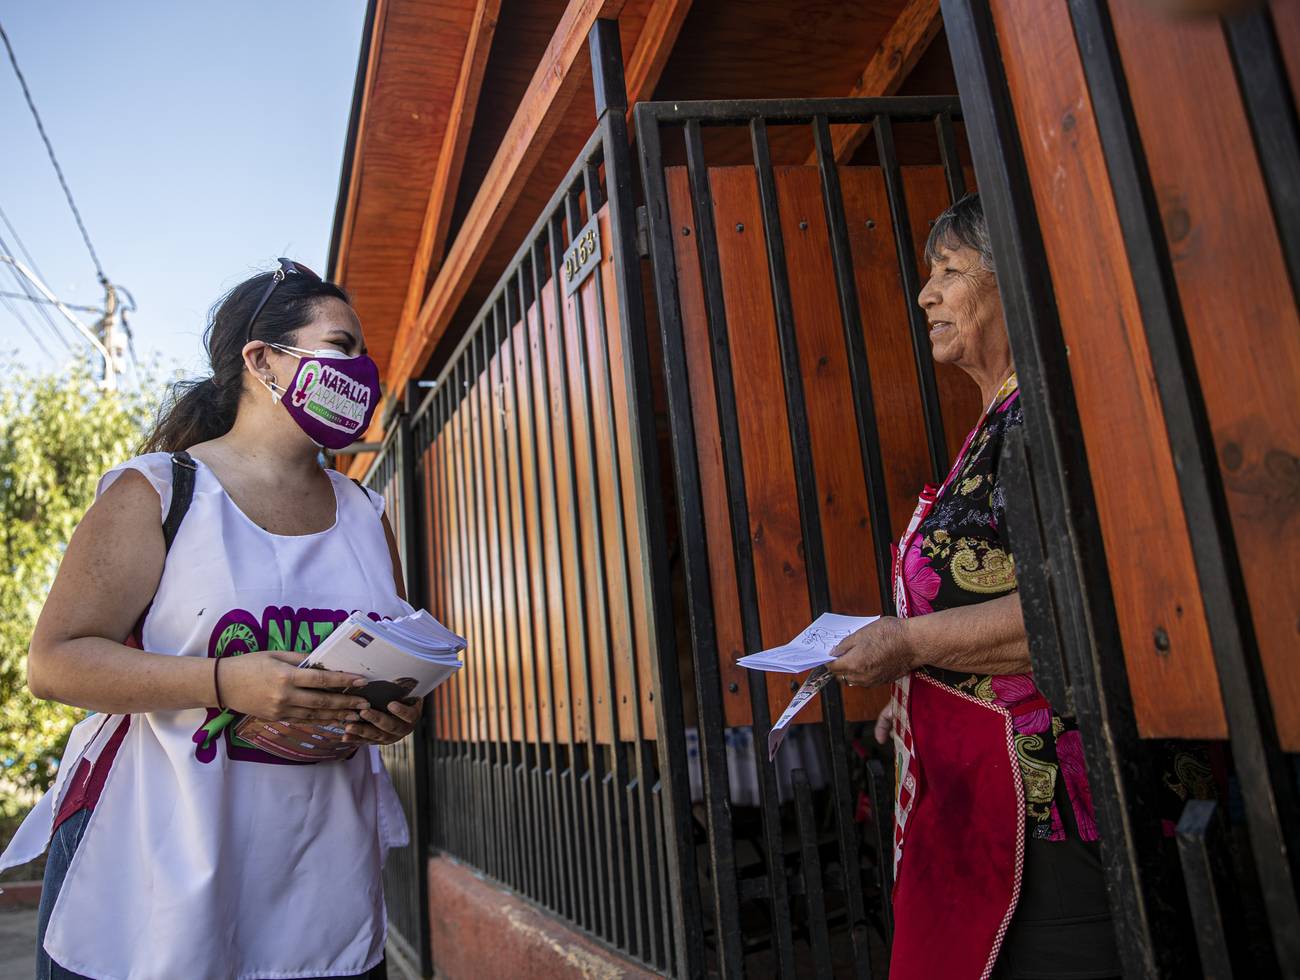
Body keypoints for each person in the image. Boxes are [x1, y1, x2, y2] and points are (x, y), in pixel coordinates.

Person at [1, 259, 421, 979]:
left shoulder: (366, 515)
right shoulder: (160, 492)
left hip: (319, 885)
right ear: (262, 360)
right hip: (150, 881)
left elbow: (389, 660)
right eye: (341, 345)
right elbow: (54, 662)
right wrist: (225, 682)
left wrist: (390, 714)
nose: (364, 368)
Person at [827, 196, 1121, 979]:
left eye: (949, 272)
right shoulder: (991, 423)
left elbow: (1079, 608)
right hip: (987, 804)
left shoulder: (1045, 414)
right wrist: (920, 690)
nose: (925, 294)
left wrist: (912, 644)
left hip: (1059, 808)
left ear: (1013, 283)